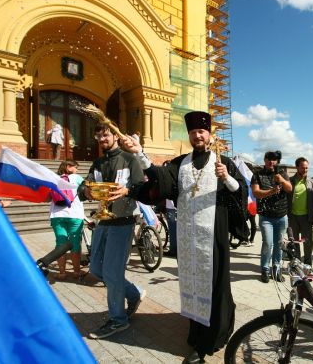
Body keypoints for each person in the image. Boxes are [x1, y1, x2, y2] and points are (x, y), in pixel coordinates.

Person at [123, 111, 246, 362]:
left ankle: (211, 339)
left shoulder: (224, 162)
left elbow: (240, 194)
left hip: (214, 235)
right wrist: (139, 153)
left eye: (201, 131)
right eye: (192, 132)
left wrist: (227, 178)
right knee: (192, 284)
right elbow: (161, 181)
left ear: (209, 135)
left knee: (214, 286)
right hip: (189, 238)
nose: (197, 135)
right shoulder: (181, 163)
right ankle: (197, 332)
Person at [77, 123, 146, 340]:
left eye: (105, 135)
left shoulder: (129, 159)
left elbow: (142, 186)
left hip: (123, 221)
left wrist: (128, 190)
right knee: (97, 268)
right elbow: (84, 186)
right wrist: (85, 190)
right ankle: (134, 294)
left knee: (113, 273)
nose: (101, 139)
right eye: (98, 136)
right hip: (103, 221)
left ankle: (118, 320)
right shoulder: (98, 162)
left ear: (114, 136)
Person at [251, 150, 292, 283]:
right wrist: (271, 191)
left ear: (277, 161)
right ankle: (265, 269)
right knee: (268, 243)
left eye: (274, 159)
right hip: (266, 216)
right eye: (269, 159)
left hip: (281, 216)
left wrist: (281, 180)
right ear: (264, 160)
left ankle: (277, 268)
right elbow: (256, 193)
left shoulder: (282, 173)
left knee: (279, 244)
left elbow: (289, 188)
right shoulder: (257, 174)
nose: (271, 161)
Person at [49, 160, 85, 280]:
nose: (77, 170)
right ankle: (76, 272)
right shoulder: (76, 177)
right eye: (76, 167)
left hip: (57, 215)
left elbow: (48, 197)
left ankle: (62, 273)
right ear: (69, 167)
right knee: (75, 244)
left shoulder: (55, 178)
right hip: (75, 215)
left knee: (60, 244)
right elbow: (87, 190)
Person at [287, 157, 313, 266]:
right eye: (302, 168)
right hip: (292, 217)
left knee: (308, 243)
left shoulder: (312, 182)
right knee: (294, 242)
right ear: (297, 167)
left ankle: (308, 265)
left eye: (306, 168)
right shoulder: (290, 181)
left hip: (307, 217)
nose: (305, 170)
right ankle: (297, 265)